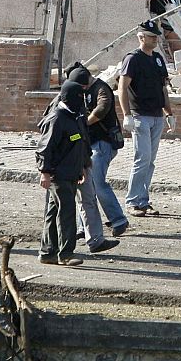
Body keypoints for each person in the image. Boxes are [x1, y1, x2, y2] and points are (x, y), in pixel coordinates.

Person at [118, 20, 175, 217]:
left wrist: (169, 112)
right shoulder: (132, 59)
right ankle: (133, 200)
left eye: (155, 36)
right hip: (140, 115)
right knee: (142, 158)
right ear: (141, 37)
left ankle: (143, 199)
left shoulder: (157, 59)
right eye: (151, 36)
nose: (155, 39)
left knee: (150, 161)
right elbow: (122, 88)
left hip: (156, 115)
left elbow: (163, 88)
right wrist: (127, 115)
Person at [67, 65, 129, 238]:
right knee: (85, 186)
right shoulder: (81, 89)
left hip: (102, 144)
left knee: (96, 183)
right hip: (88, 144)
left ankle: (118, 220)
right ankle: (83, 226)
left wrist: (85, 123)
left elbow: (102, 109)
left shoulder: (102, 89)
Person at [36, 80, 90, 266]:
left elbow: (79, 143)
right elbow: (44, 149)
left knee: (53, 211)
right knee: (66, 211)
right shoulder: (57, 118)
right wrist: (45, 172)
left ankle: (47, 252)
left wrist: (82, 165)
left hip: (71, 172)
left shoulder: (74, 116)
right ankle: (66, 253)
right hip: (59, 175)